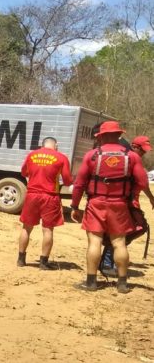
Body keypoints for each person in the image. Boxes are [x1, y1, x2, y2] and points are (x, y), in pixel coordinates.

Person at [70, 121, 149, 293]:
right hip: (120, 204)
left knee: (94, 241)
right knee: (119, 243)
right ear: (118, 135)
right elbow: (142, 182)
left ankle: (91, 282)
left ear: (102, 136)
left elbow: (79, 184)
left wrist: (75, 206)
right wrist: (130, 195)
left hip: (96, 203)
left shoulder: (92, 155)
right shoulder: (132, 156)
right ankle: (122, 284)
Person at [98, 135, 154, 276]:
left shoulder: (132, 160)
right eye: (142, 150)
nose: (143, 153)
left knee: (127, 232)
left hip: (128, 201)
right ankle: (106, 263)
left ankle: (107, 262)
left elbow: (143, 183)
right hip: (124, 202)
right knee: (124, 233)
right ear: (135, 147)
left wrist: (151, 198)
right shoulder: (128, 160)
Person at [18, 137, 73, 270]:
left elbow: (24, 172)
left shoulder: (32, 155)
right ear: (56, 145)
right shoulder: (61, 157)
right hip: (50, 196)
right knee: (48, 229)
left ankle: (21, 259)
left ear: (42, 145)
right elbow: (67, 181)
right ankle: (43, 262)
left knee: (27, 228)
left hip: (32, 194)